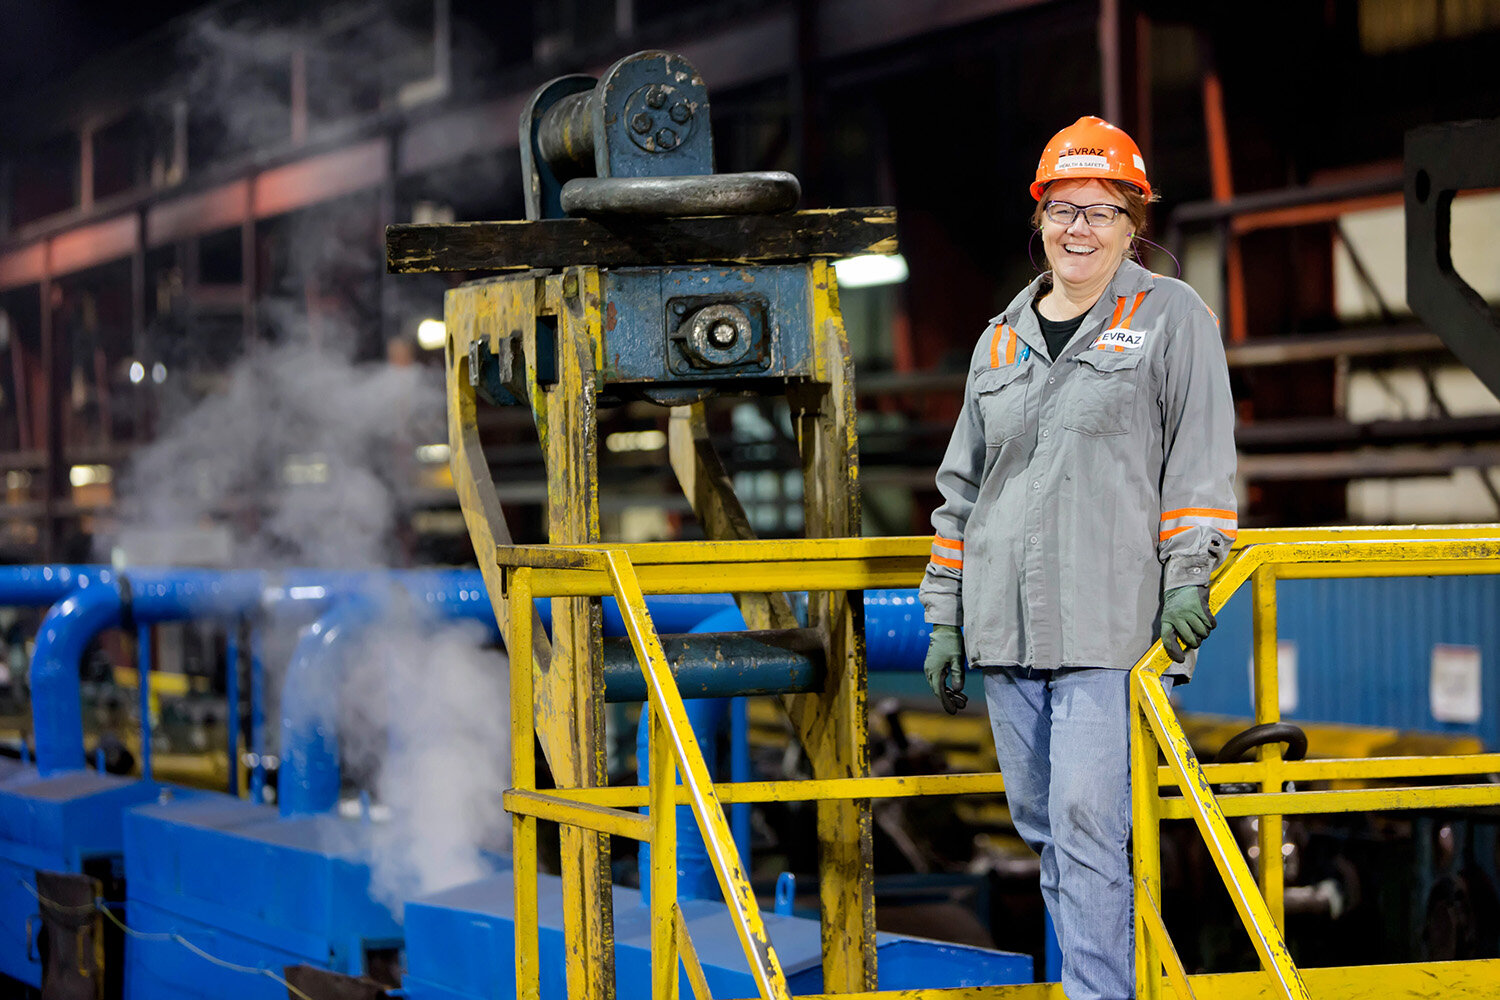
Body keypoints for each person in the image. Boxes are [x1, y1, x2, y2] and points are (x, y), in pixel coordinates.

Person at [918, 115, 1236, 1000]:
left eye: (1101, 211)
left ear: (1134, 221)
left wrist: (1188, 581)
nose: (1080, 230)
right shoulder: (1001, 339)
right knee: (1047, 831)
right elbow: (962, 493)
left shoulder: (1172, 319)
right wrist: (943, 618)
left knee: (1090, 822)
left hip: (1113, 627)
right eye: (1064, 210)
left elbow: (1201, 467)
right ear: (1040, 219)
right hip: (1008, 630)